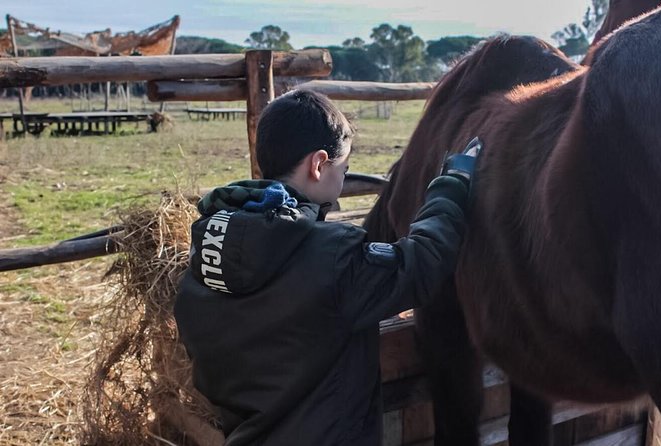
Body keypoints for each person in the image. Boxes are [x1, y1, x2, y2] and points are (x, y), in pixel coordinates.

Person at [174, 90, 478, 446]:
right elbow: (422, 262)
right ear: (318, 165)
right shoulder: (332, 257)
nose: (340, 186)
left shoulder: (207, 250)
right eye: (343, 170)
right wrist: (452, 185)